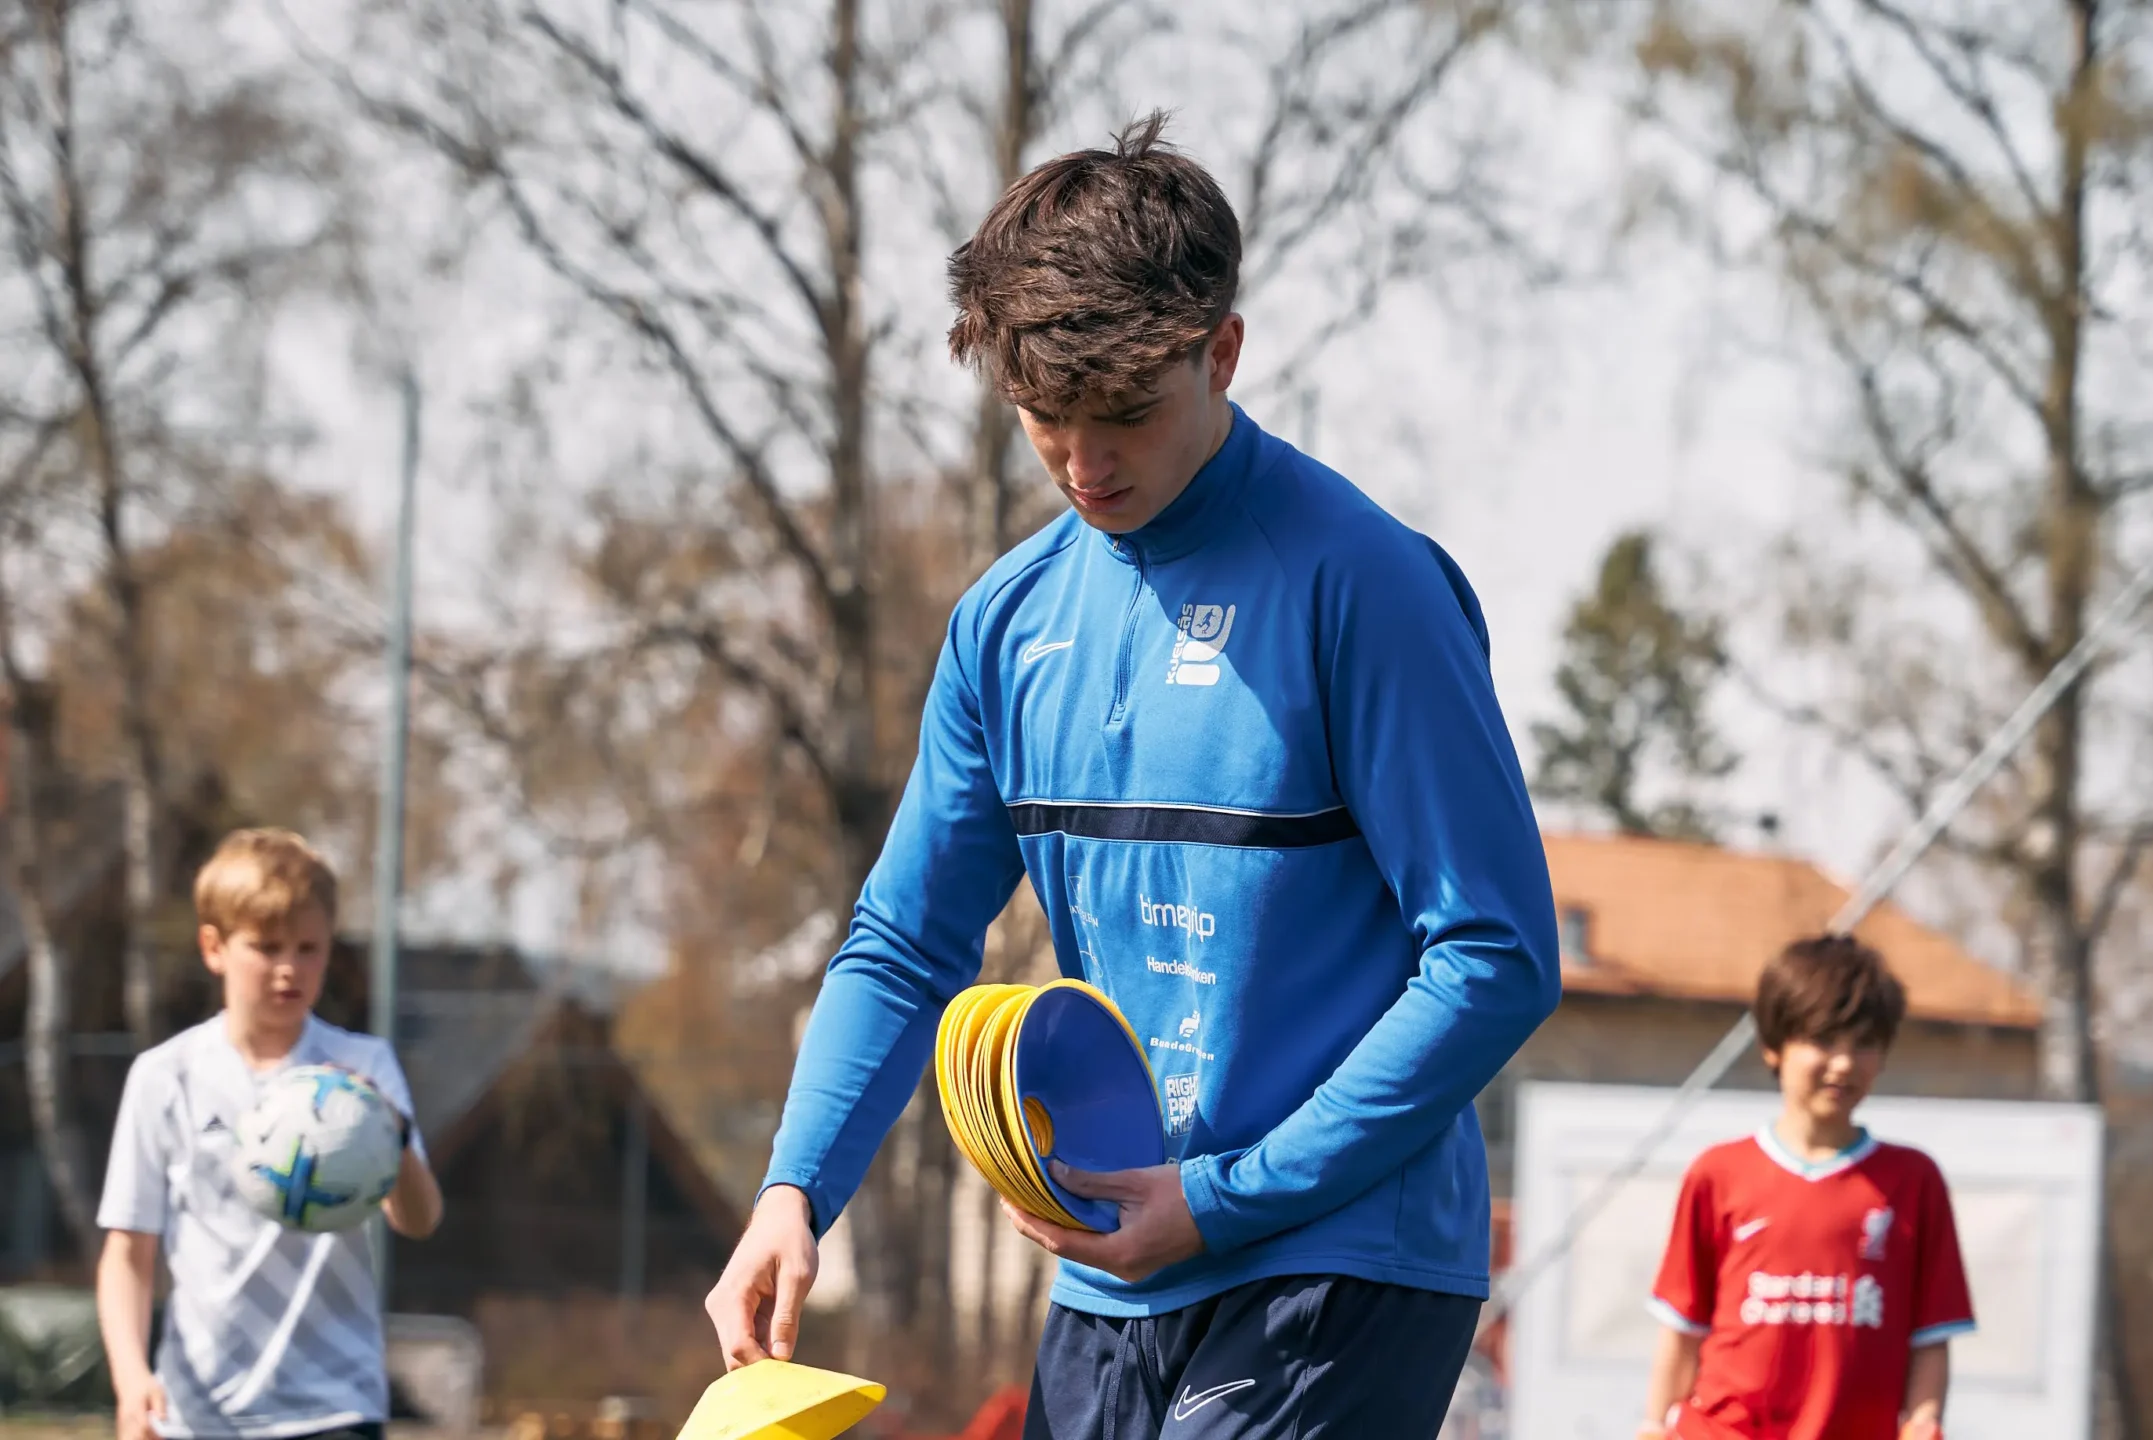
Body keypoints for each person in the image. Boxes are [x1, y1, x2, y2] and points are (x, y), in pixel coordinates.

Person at [704, 111, 1561, 1439]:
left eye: (1125, 415)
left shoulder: (1369, 588)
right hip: (1110, 1271)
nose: (1085, 463)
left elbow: (1496, 955)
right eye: (1047, 419)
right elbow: (902, 942)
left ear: (1222, 351)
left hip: (1339, 1261)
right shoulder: (1004, 624)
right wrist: (793, 1193)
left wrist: (1226, 1197)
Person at [97, 828, 444, 1440]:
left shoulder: (363, 1072)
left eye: (309, 948)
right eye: (267, 946)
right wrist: (130, 1380)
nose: (290, 969)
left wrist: (390, 1132)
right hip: (196, 1411)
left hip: (333, 1404)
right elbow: (128, 1255)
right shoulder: (165, 1077)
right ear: (215, 947)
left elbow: (419, 1220)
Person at [1639, 935, 1974, 1440]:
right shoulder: (1718, 1173)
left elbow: (1930, 1338)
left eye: (1864, 1043)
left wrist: (1924, 1422)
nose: (1843, 1063)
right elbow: (1683, 1332)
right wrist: (1650, 1425)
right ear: (1774, 1046)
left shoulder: (1913, 1181)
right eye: (1823, 1040)